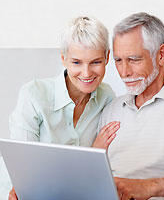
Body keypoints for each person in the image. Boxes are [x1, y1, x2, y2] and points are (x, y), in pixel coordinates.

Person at [8, 16, 120, 200]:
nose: (86, 73)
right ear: (63, 58)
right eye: (76, 62)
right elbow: (24, 173)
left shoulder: (107, 98)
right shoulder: (34, 95)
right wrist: (93, 155)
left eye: (96, 62)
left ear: (107, 58)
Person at [98, 12, 164, 200]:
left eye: (134, 59)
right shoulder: (111, 109)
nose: (124, 72)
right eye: (118, 60)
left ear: (161, 55)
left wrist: (152, 187)